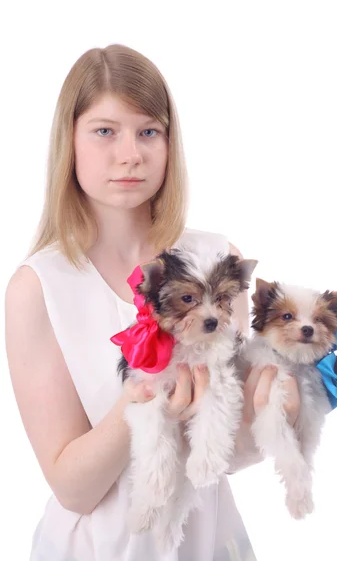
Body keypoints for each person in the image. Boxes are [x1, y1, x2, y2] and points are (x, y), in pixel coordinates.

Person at [5, 44, 301, 561]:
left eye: (149, 131)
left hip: (204, 539)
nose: (130, 154)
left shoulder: (216, 260)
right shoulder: (40, 286)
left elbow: (225, 454)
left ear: (169, 142)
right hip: (99, 548)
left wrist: (275, 415)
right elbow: (73, 488)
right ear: (69, 141)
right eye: (104, 131)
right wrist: (144, 396)